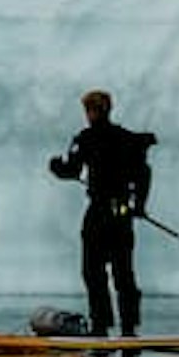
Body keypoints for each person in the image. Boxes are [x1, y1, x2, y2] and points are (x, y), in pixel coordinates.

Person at [46, 88, 155, 336]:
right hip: (122, 213)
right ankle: (129, 327)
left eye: (88, 110)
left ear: (92, 111)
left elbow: (71, 170)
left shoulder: (86, 138)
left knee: (93, 270)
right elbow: (144, 173)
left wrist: (55, 166)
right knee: (123, 272)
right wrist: (139, 205)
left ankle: (101, 324)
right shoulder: (128, 139)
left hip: (99, 213)